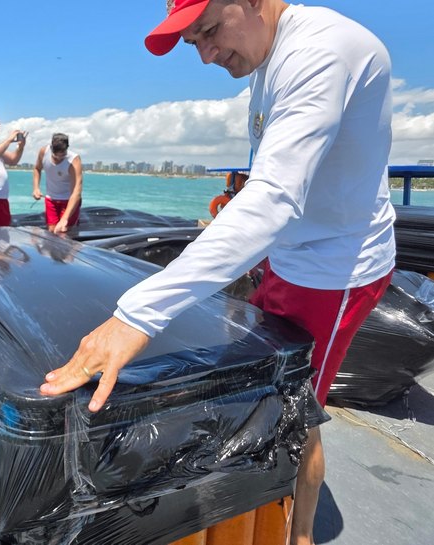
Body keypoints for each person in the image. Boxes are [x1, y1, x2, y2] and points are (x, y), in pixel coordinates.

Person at [39, 2, 395, 545]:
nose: (206, 55)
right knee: (274, 397)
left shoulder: (320, 51)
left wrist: (136, 315)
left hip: (335, 268)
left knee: (298, 411)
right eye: (192, 44)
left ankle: (297, 538)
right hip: (289, 255)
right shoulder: (267, 59)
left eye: (208, 31)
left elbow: (276, 196)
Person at [32, 133, 83, 234]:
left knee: (64, 232)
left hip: (69, 201)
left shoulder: (74, 160)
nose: (59, 159)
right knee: (52, 231)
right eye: (56, 156)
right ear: (51, 148)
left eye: (62, 156)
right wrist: (36, 188)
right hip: (51, 199)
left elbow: (76, 193)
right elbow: (37, 168)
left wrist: (65, 219)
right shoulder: (44, 151)